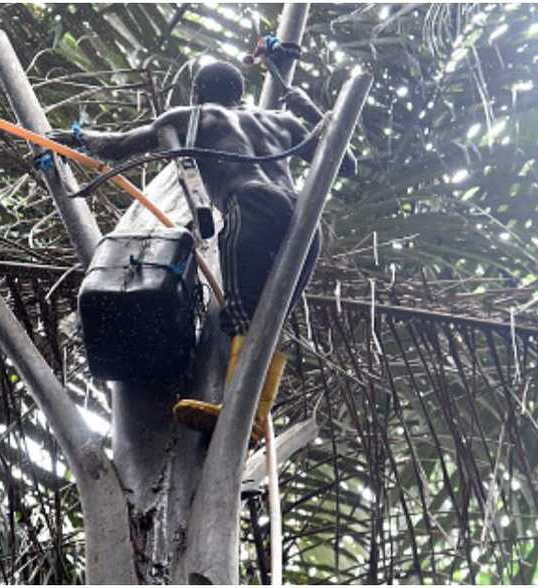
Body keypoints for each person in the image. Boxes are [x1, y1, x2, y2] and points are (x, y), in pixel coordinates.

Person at [55, 61, 355, 442]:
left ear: (196, 92)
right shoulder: (281, 121)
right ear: (239, 94)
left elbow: (118, 146)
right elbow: (345, 163)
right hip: (305, 226)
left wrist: (77, 137)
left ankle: (238, 411)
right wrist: (311, 110)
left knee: (241, 315)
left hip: (250, 208)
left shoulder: (189, 116)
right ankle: (256, 413)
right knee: (269, 318)